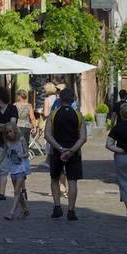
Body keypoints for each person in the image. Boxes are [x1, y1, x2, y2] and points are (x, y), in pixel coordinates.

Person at [45, 87, 86, 220]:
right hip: (74, 152)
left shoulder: (54, 114)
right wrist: (72, 150)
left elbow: (47, 135)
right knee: (72, 180)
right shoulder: (78, 115)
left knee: (55, 178)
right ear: (73, 99)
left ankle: (57, 207)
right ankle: (71, 210)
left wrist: (60, 149)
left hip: (57, 152)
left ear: (60, 100)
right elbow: (83, 137)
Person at [0, 83, 18, 202]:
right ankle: (1, 193)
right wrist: (6, 127)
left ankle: (19, 192)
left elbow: (13, 126)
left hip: (13, 143)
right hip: (1, 142)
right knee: (3, 169)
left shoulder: (12, 109)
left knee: (16, 168)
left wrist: (1, 126)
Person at [2, 121, 31, 221]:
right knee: (17, 192)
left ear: (15, 131)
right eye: (7, 132)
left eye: (10, 132)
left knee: (16, 191)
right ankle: (25, 209)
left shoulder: (21, 140)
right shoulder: (8, 142)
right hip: (13, 167)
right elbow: (4, 155)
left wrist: (21, 155)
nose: (9, 134)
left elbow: (27, 153)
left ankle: (11, 212)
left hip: (22, 167)